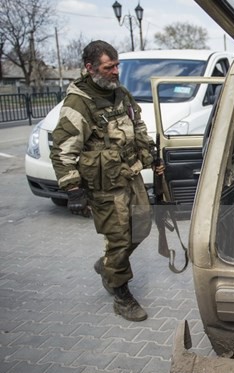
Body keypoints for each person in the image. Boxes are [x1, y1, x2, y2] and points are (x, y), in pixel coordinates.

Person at [50, 40, 163, 322]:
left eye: (116, 65)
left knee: (142, 226)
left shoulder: (120, 93)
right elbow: (62, 149)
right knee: (119, 238)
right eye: (108, 67)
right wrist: (73, 189)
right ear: (90, 68)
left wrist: (150, 154)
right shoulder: (78, 103)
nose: (115, 71)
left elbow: (137, 126)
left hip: (129, 174)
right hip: (103, 186)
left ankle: (109, 264)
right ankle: (120, 292)